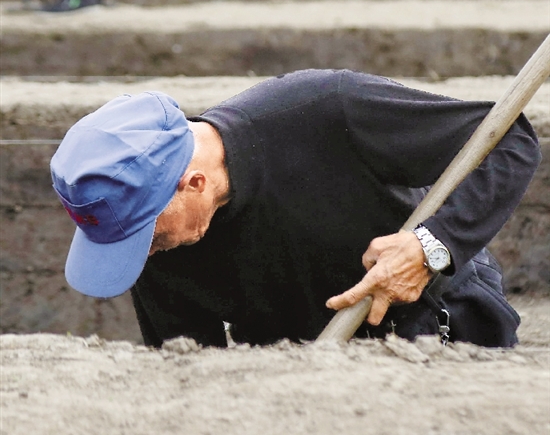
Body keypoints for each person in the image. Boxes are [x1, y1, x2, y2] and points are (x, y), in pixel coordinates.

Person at [50, 69, 541, 348]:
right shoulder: (147, 241)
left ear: (193, 184)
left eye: (148, 236)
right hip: (305, 379)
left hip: (443, 331)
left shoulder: (325, 109)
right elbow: (188, 367)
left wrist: (431, 247)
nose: (145, 254)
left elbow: (507, 140)